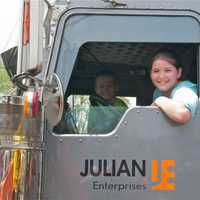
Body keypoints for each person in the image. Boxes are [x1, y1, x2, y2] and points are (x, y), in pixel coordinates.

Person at [150, 49, 198, 124]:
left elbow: (182, 114)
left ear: (179, 72)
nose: (161, 76)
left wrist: (160, 100)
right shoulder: (157, 92)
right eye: (156, 71)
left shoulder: (185, 89)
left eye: (167, 70)